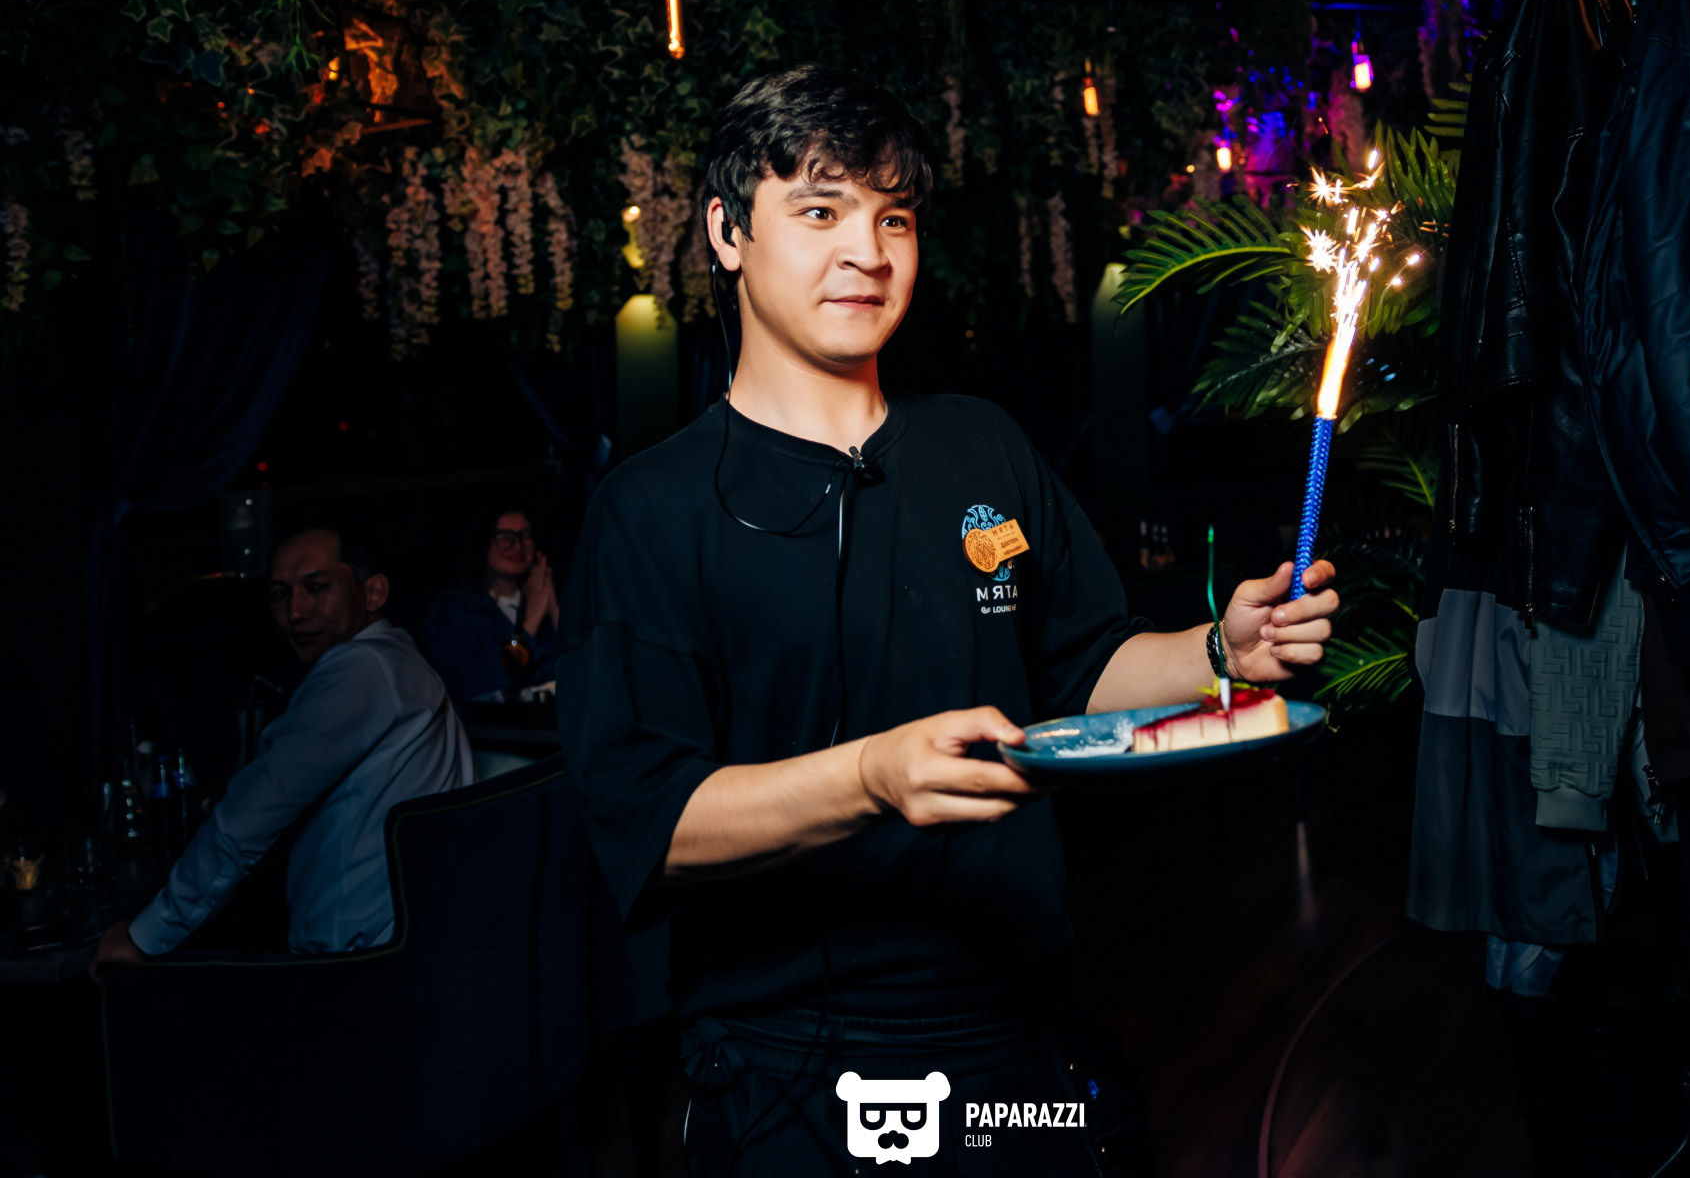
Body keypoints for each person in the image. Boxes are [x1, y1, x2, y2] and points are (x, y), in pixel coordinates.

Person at [559, 65, 1339, 1176]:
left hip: (1017, 1039)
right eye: (820, 211)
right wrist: (870, 776)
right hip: (796, 1077)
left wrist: (1217, 650)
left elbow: (1081, 666)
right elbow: (657, 823)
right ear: (729, 232)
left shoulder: (983, 445)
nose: (868, 252)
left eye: (894, 218)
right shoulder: (651, 509)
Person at [90, 527, 475, 974]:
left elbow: (245, 819)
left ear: (373, 593)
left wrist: (145, 935)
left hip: (358, 966)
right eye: (279, 594)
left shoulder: (360, 669)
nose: (294, 612)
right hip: (415, 947)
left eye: (317, 587)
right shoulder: (399, 659)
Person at [425, 508, 561, 704]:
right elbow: (474, 687)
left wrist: (554, 608)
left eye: (525, 536)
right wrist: (530, 625)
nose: (518, 546)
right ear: (485, 542)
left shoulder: (549, 596)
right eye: (506, 538)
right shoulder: (454, 610)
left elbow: (579, 667)